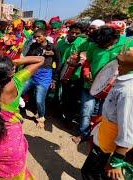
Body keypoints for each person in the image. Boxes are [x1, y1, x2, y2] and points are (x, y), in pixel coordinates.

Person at [72, 26, 133, 144]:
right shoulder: (94, 45)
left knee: (103, 114)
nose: (99, 45)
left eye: (103, 44)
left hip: (112, 89)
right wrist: (86, 70)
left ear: (113, 39)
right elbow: (88, 61)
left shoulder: (127, 44)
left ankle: (96, 136)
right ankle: (83, 134)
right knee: (86, 110)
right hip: (90, 85)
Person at [81, 49, 133, 180]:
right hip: (104, 137)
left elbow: (127, 128)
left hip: (109, 144)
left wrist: (117, 160)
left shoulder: (128, 91)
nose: (130, 48)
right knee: (90, 171)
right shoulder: (123, 80)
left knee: (91, 173)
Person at [21, 29, 61, 128]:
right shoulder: (34, 46)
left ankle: (41, 118)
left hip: (45, 76)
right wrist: (23, 71)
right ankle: (16, 111)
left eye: (39, 36)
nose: (36, 39)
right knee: (18, 92)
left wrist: (54, 78)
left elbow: (59, 62)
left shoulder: (53, 47)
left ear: (45, 35)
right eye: (35, 37)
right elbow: (28, 58)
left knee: (39, 100)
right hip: (32, 73)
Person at [56, 23, 86, 123]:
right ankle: (61, 113)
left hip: (75, 76)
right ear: (68, 32)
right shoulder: (60, 43)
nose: (74, 35)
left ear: (80, 34)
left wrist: (77, 64)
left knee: (73, 98)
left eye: (77, 33)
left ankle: (69, 118)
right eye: (72, 32)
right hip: (62, 73)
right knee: (64, 95)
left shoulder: (83, 43)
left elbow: (84, 59)